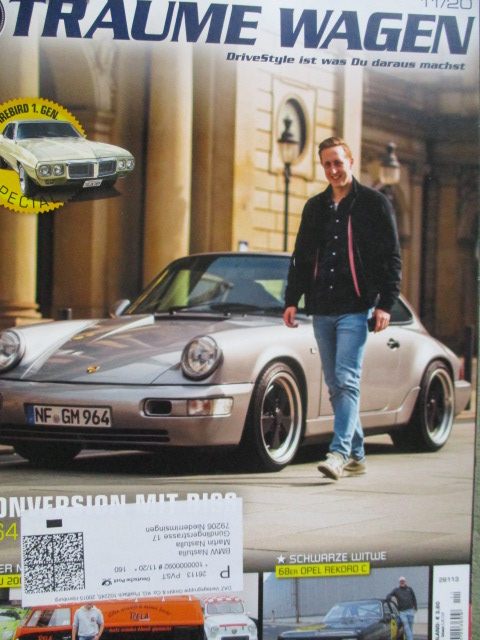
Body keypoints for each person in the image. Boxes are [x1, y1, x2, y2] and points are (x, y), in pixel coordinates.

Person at [284, 136, 402, 480]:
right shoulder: (315, 207)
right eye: (327, 164)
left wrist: (385, 304)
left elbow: (392, 257)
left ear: (350, 162)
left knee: (347, 380)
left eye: (338, 162)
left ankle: (337, 454)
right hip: (322, 306)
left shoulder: (375, 204)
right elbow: (300, 257)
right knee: (335, 384)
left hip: (356, 307)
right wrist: (292, 299)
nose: (333, 169)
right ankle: (357, 455)